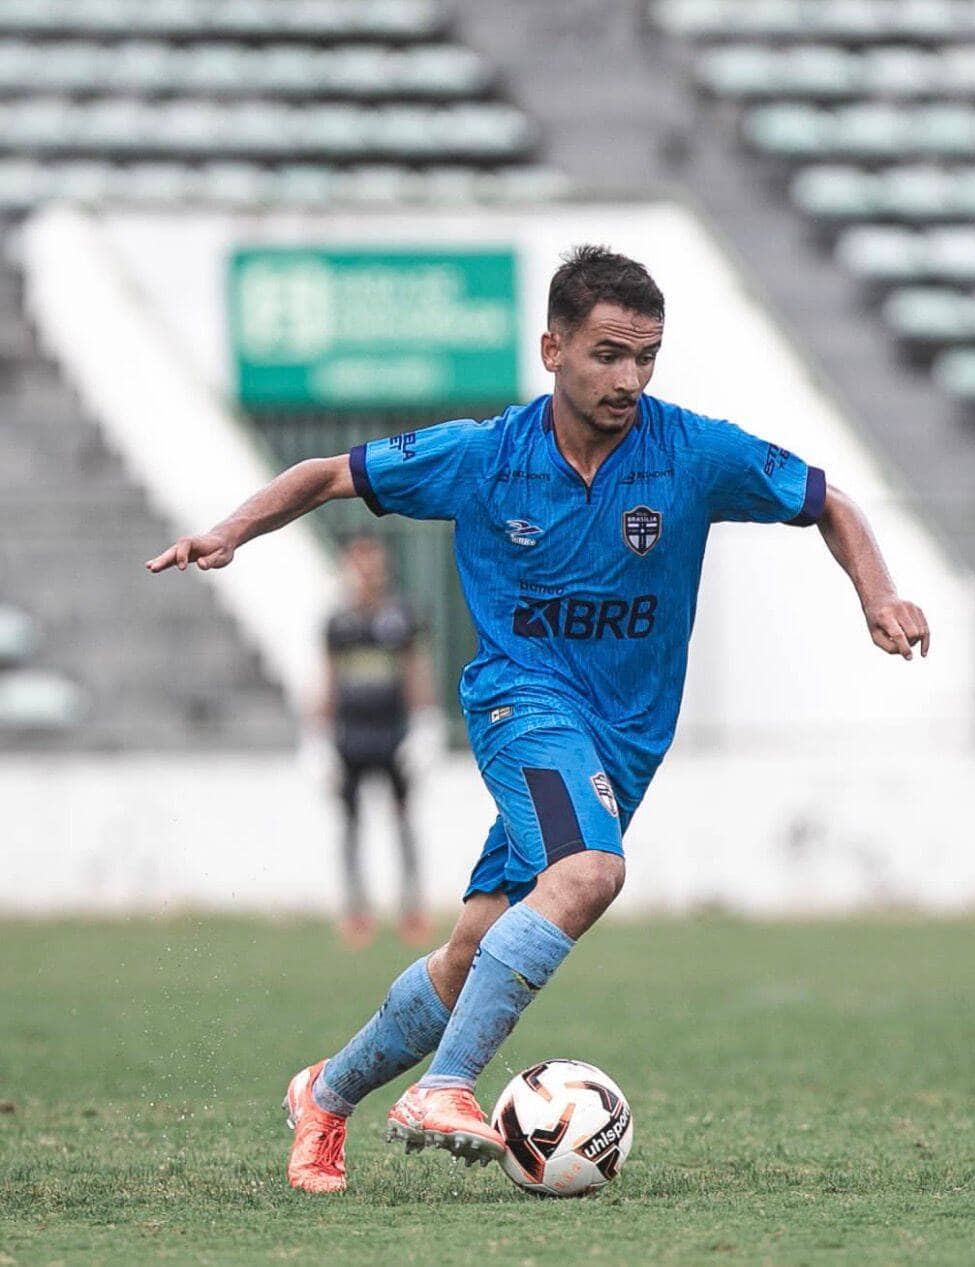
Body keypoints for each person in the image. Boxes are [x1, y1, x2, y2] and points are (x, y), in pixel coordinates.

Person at [146, 245, 929, 1194]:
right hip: (521, 701)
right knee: (589, 871)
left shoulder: (691, 452)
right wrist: (230, 530)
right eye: (608, 354)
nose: (629, 379)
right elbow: (324, 474)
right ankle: (443, 1087)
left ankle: (325, 1095)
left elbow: (828, 500)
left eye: (645, 357)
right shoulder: (485, 457)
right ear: (553, 347)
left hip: (624, 740)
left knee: (474, 949)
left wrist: (876, 595)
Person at [320, 533, 435, 948]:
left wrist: (424, 724)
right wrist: (318, 737)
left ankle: (412, 910)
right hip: (351, 737)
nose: (367, 572)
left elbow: (415, 671)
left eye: (374, 563)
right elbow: (328, 680)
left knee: (403, 820)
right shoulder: (337, 624)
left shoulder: (402, 617)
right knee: (350, 824)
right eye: (360, 563)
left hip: (393, 735)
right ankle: (356, 912)